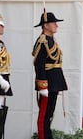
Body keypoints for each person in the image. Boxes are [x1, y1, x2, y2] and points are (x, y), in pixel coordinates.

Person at [32, 11, 68, 139]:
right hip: (47, 82)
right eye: (54, 23)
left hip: (54, 81)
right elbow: (39, 64)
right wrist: (42, 86)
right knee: (44, 115)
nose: (56, 25)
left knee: (49, 114)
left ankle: (48, 136)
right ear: (46, 25)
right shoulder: (43, 41)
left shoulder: (51, 40)